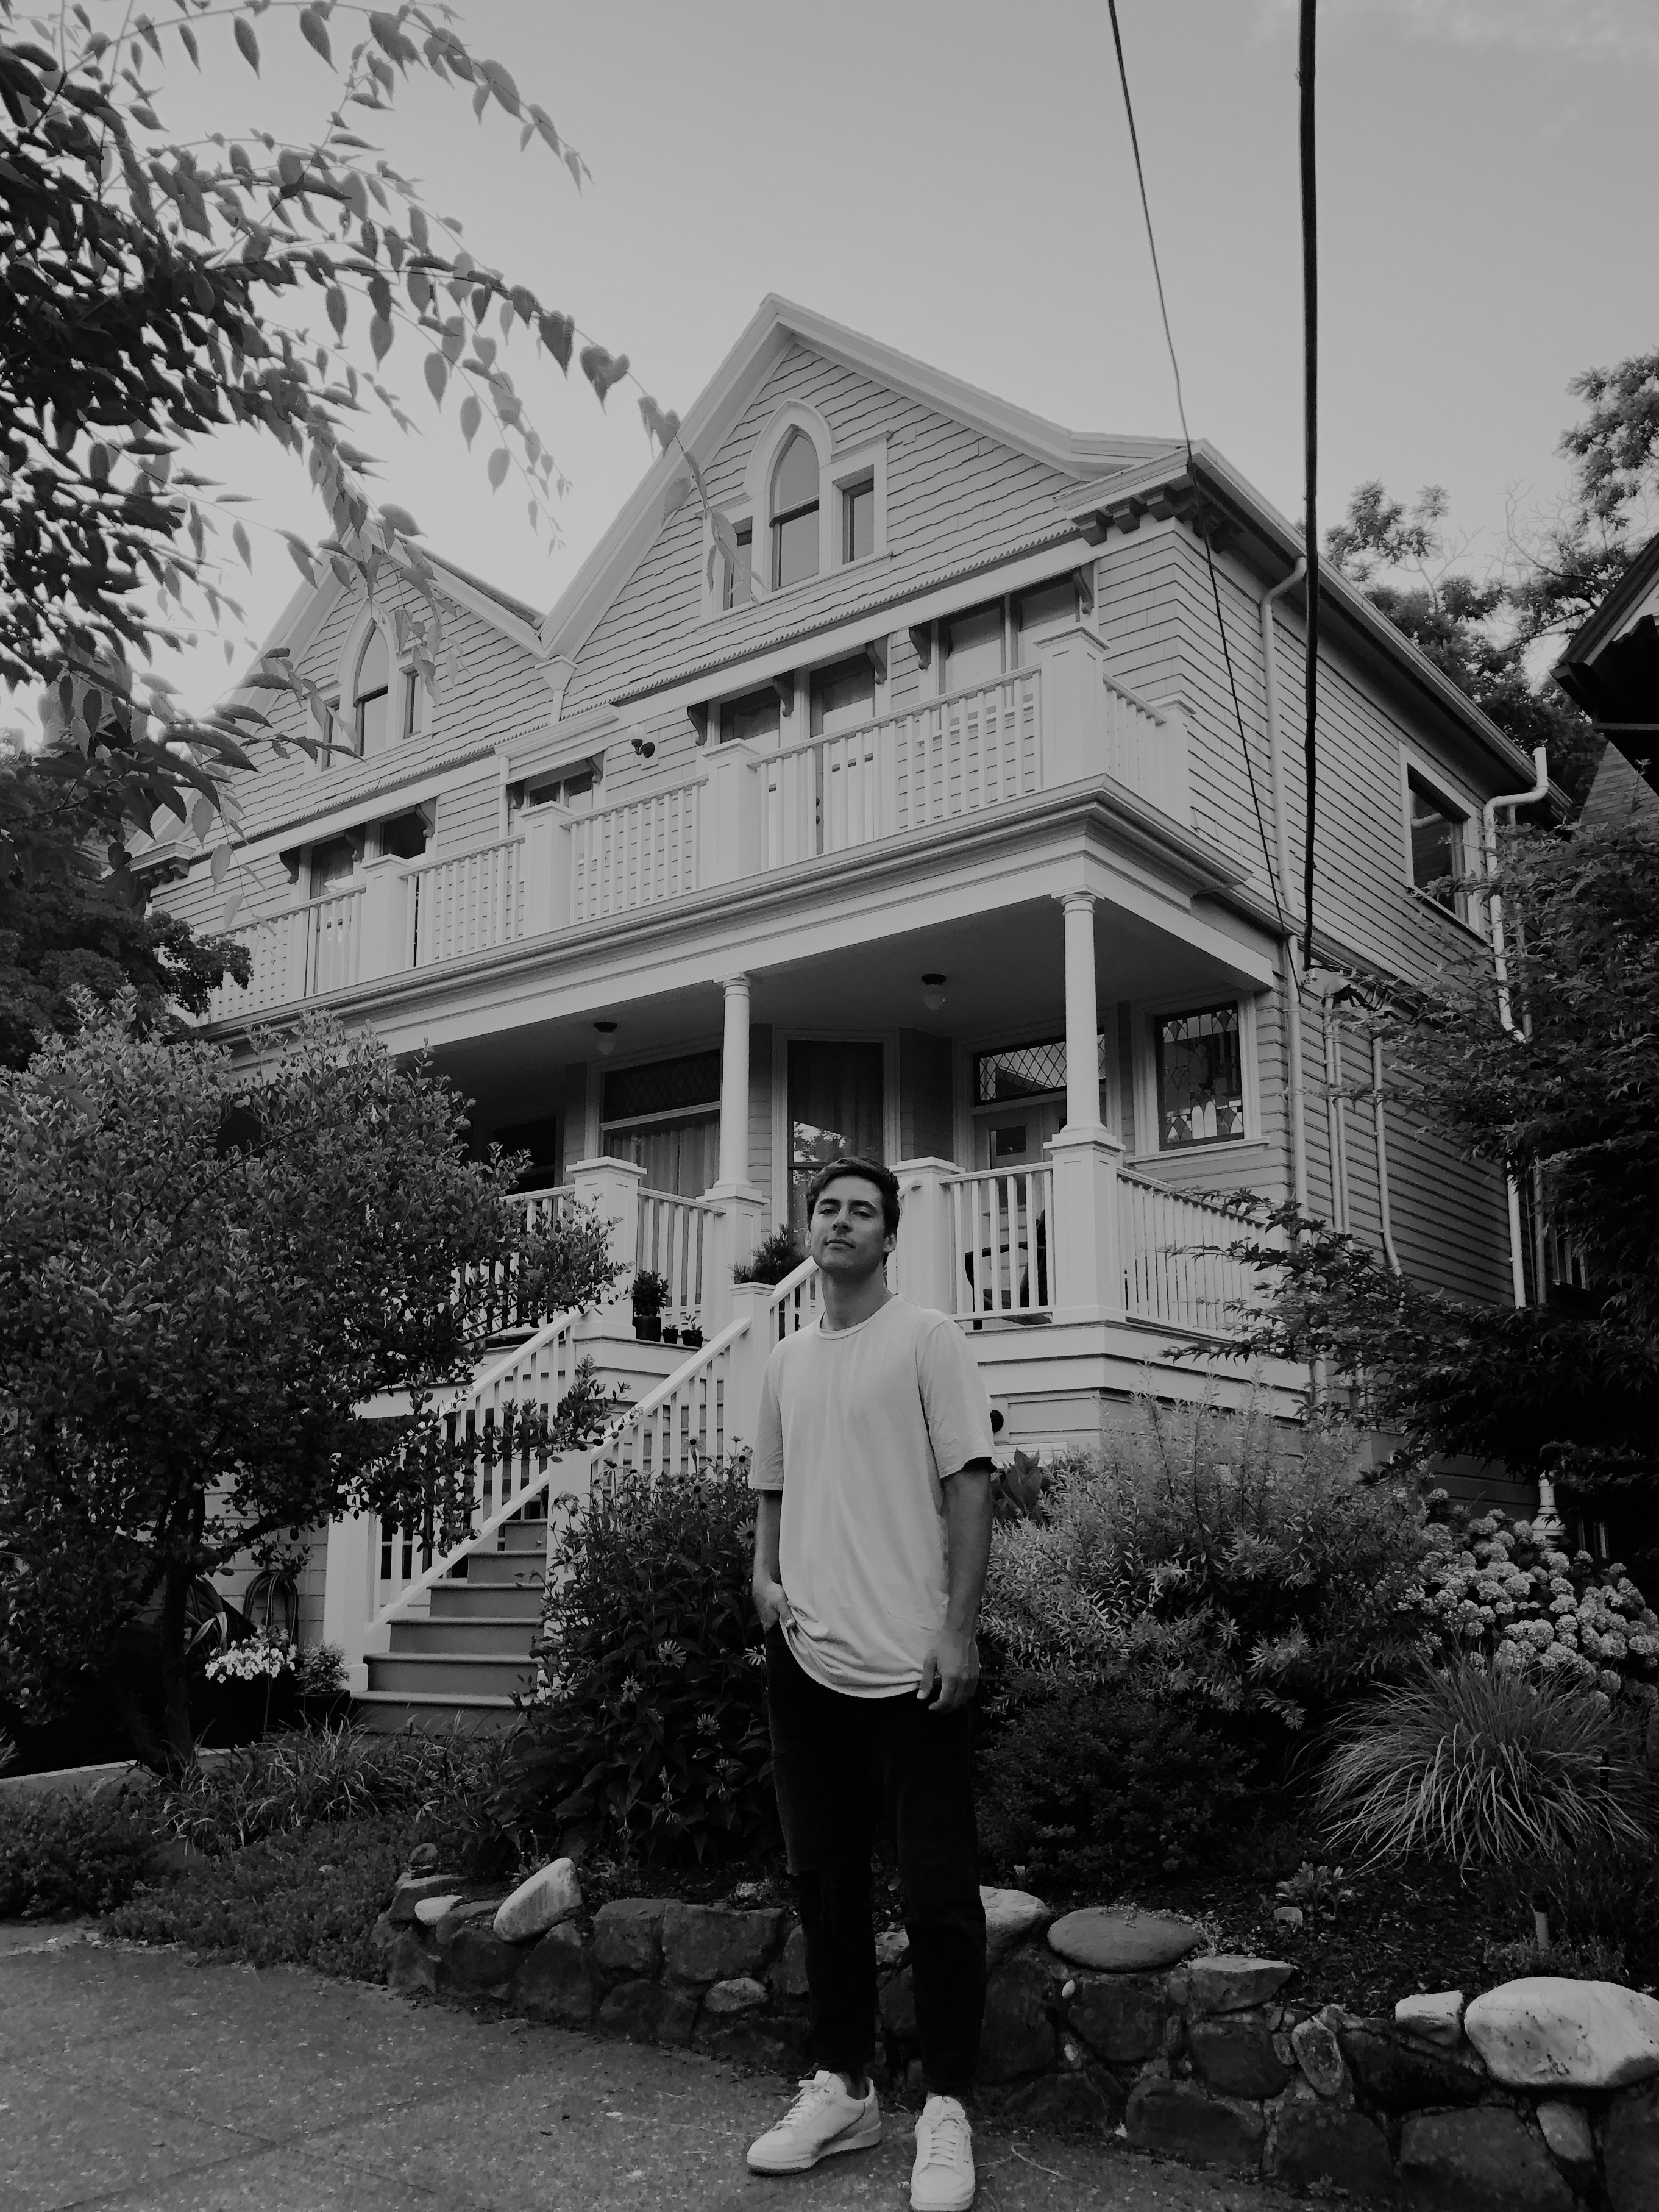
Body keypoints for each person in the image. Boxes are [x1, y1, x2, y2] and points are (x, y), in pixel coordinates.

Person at [745, 1155, 995, 2212]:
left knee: (937, 1896)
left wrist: (956, 1629)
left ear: (889, 1235)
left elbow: (969, 1481)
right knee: (826, 1884)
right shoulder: (786, 1357)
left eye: (861, 1210)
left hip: (912, 1666)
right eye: (827, 1207)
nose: (840, 1222)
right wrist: (759, 1577)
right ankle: (844, 2087)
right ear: (808, 1229)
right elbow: (772, 1484)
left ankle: (946, 2107)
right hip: (804, 1659)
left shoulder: (928, 1340)